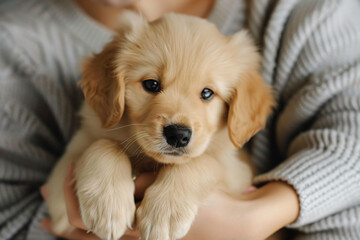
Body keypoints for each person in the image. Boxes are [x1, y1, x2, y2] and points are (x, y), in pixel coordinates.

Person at [0, 0, 359, 239]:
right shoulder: (15, 42)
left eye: (208, 94)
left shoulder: (308, 12)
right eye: (151, 85)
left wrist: (262, 212)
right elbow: (47, 215)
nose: (178, 123)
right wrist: (101, 157)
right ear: (113, 86)